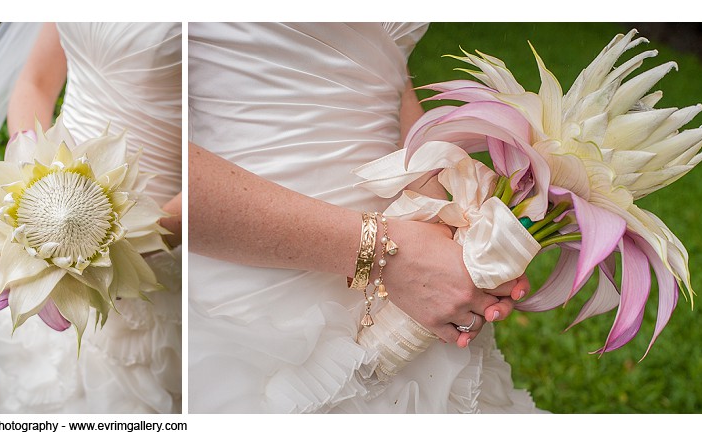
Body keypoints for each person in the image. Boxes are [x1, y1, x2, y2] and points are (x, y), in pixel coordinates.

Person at [188, 22, 539, 413]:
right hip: (262, 267)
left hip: (412, 269)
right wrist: (389, 254)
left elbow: (384, 67)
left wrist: (448, 215)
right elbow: (154, 177)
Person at [0, 22, 183, 413]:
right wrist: (29, 189)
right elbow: (36, 82)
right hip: (37, 209)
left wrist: (149, 236)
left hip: (158, 238)